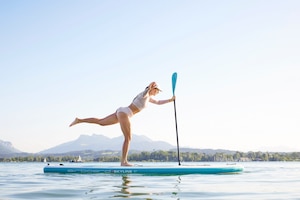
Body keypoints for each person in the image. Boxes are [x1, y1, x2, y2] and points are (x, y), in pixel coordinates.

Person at [69, 82, 175, 166]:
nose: (158, 92)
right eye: (157, 90)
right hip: (125, 113)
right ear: (153, 88)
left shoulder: (149, 99)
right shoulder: (145, 94)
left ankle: (79, 120)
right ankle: (123, 162)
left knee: (101, 122)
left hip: (121, 111)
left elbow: (158, 102)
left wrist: (171, 100)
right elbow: (147, 89)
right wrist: (151, 85)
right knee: (128, 138)